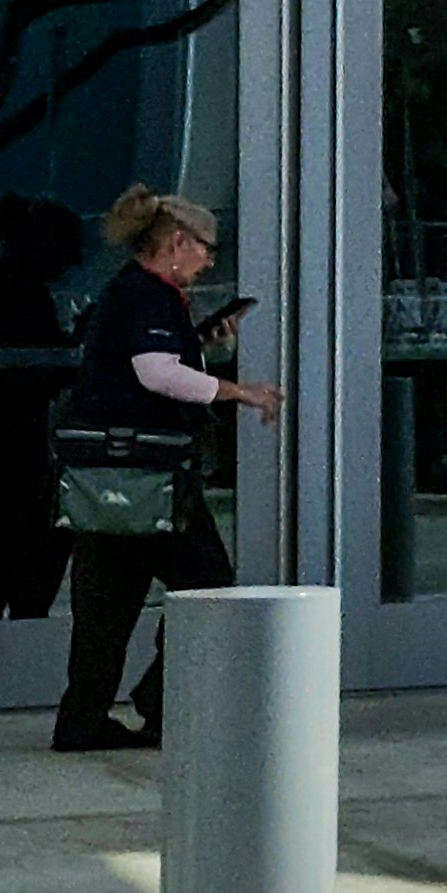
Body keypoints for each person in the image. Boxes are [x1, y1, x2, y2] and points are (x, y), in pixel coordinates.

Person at [46, 186, 278, 756]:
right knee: (209, 590)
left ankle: (83, 721)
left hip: (105, 474)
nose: (209, 259)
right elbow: (155, 374)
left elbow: (141, 368)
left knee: (106, 602)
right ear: (176, 242)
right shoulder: (150, 297)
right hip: (147, 474)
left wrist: (203, 344)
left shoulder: (129, 294)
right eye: (204, 247)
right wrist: (237, 392)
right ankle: (161, 702)